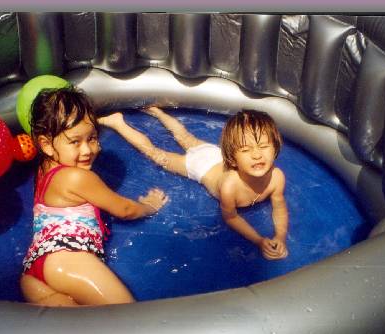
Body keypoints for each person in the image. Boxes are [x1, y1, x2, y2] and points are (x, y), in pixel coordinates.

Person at [20, 87, 168, 306]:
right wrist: (150, 206)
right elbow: (125, 210)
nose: (87, 150)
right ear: (46, 145)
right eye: (75, 142)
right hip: (68, 262)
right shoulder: (77, 178)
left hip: (33, 274)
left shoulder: (44, 169)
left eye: (91, 138)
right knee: (128, 318)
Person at [98, 107, 289, 260]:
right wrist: (258, 240)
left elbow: (279, 206)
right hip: (198, 166)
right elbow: (231, 217)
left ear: (275, 147)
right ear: (232, 158)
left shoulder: (277, 177)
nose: (257, 155)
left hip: (214, 154)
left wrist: (280, 236)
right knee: (154, 153)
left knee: (185, 136)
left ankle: (158, 112)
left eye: (264, 146)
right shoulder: (230, 187)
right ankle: (119, 123)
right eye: (246, 150)